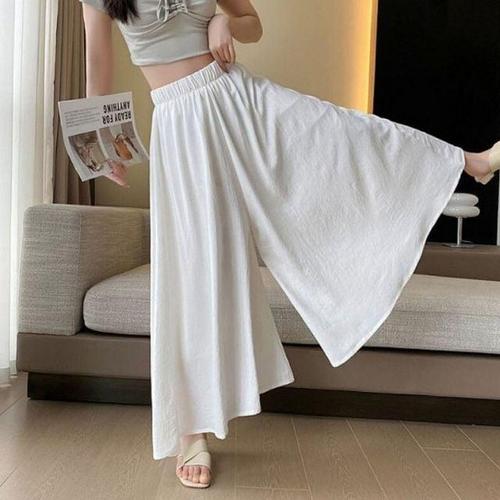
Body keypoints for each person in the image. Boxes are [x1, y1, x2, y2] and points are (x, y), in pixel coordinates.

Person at [79, 0, 500, 489]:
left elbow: (252, 24)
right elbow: (97, 65)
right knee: (192, 270)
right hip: (181, 126)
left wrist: (225, 21)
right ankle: (192, 432)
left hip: (239, 101)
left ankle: (469, 162)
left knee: (342, 135)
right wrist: (100, 145)